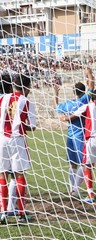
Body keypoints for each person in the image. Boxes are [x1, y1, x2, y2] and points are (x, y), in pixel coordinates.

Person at [62, 90, 96, 203]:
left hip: (91, 139)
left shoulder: (87, 106)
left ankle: (90, 195)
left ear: (91, 98)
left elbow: (72, 117)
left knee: (87, 166)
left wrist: (64, 118)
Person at [0, 74, 36, 224]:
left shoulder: (2, 99)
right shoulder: (27, 102)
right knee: (19, 174)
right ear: (27, 87)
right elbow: (32, 127)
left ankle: (3, 212)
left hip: (2, 138)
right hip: (17, 139)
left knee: (2, 175)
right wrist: (21, 123)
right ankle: (21, 213)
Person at [54, 67, 94, 197]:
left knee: (72, 164)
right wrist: (89, 74)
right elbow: (91, 85)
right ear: (83, 92)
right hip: (81, 136)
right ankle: (75, 189)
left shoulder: (68, 104)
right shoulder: (83, 100)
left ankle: (72, 189)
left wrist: (55, 93)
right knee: (85, 163)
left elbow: (56, 107)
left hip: (70, 136)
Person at [0, 74, 18, 217]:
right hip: (10, 138)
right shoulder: (13, 100)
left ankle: (4, 208)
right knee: (12, 174)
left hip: (2, 139)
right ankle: (10, 207)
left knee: (2, 174)